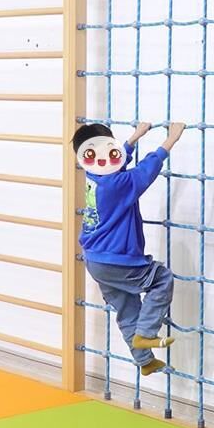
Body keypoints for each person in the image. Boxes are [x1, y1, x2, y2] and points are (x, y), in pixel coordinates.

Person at [72, 120, 185, 376]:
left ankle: (144, 360)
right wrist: (171, 139)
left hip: (95, 260)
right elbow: (146, 171)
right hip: (116, 259)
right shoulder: (117, 184)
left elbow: (115, 162)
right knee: (162, 279)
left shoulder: (94, 177)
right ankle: (146, 334)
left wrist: (134, 137)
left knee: (127, 309)